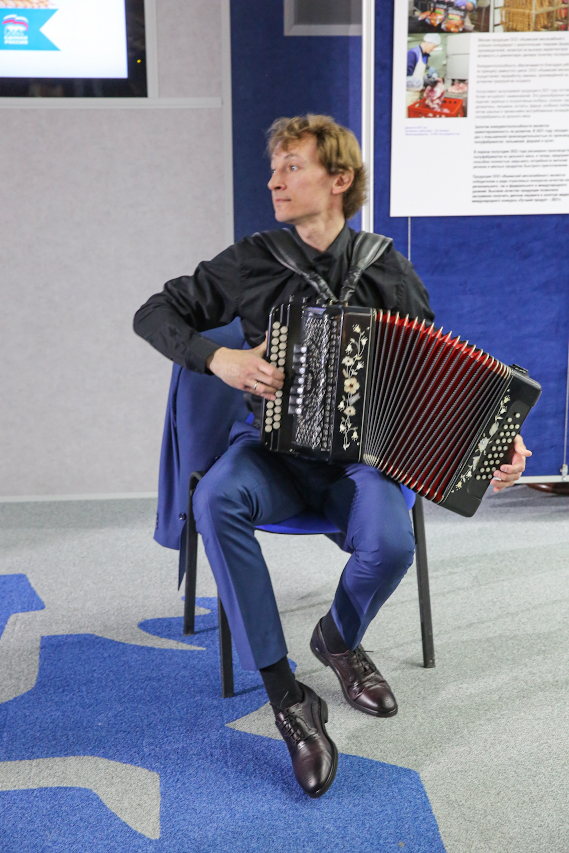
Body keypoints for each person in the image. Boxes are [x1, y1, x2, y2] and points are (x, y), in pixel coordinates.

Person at [133, 114, 531, 799]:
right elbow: (154, 313)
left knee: (392, 543)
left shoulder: (387, 268)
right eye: (274, 168)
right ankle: (289, 697)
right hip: (271, 457)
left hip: (359, 465)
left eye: (292, 167)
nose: (274, 180)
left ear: (339, 179)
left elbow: (435, 379)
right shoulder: (251, 260)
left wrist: (494, 441)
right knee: (215, 497)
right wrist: (221, 359)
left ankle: (339, 639)